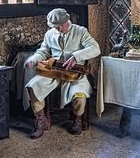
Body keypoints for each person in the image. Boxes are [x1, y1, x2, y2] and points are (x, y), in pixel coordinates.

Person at [25, 8, 100, 139]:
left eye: (60, 26)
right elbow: (43, 51)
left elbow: (95, 48)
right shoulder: (50, 34)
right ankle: (41, 121)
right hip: (54, 72)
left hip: (74, 74)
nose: (58, 29)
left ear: (67, 20)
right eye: (56, 27)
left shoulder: (80, 31)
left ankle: (77, 119)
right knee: (33, 86)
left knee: (80, 95)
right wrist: (33, 60)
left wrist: (76, 56)